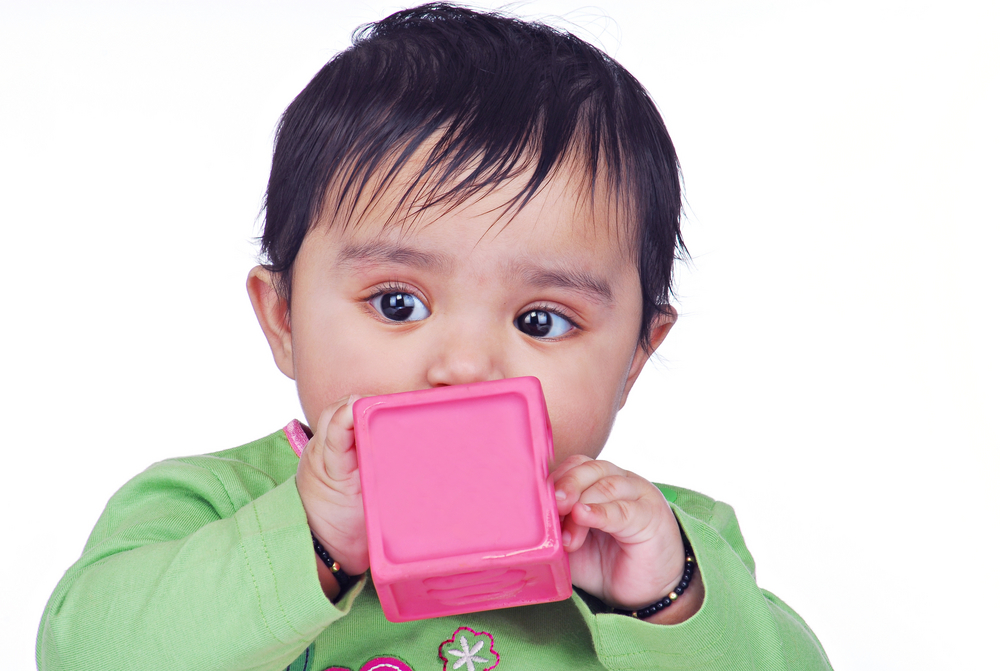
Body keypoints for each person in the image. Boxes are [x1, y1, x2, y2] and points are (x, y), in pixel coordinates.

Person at [37, 4, 831, 670]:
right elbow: (85, 650)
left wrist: (669, 601)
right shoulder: (204, 508)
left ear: (634, 357)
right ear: (282, 319)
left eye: (540, 320)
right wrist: (310, 538)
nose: (465, 365)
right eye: (396, 303)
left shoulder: (663, 545)